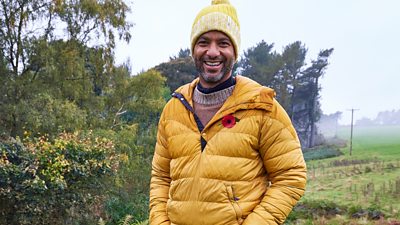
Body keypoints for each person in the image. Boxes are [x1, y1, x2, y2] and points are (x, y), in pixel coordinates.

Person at [149, 0, 307, 224]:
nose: (212, 52)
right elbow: (161, 177)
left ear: (235, 51)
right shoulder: (174, 108)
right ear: (193, 49)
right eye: (203, 42)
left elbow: (291, 177)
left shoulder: (262, 108)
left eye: (223, 43)